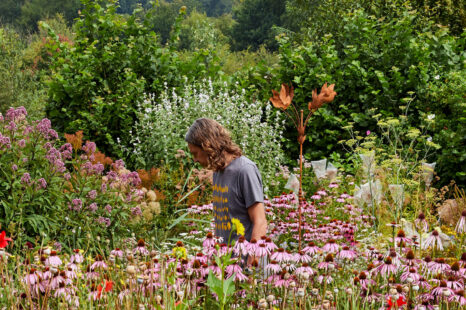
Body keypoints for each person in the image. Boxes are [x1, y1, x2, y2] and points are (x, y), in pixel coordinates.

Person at [185, 118, 267, 250]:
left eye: (195, 154)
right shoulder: (218, 170)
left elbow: (260, 221)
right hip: (225, 261)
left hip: (244, 262)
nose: (194, 160)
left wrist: (252, 261)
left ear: (207, 145)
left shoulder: (245, 170)